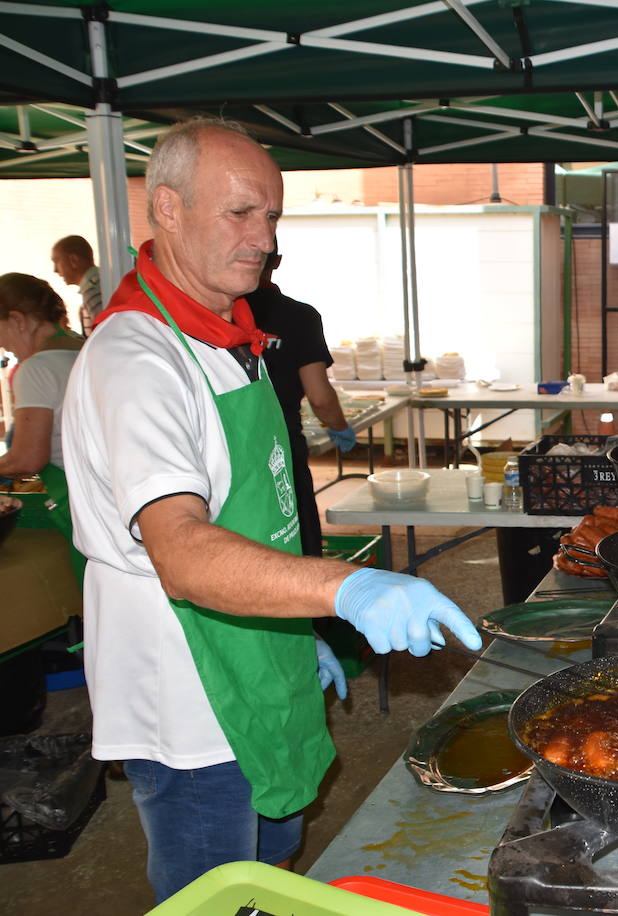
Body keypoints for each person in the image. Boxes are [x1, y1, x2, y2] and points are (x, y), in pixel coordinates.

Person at [60, 117, 483, 904]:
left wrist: (294, 633)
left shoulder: (229, 337)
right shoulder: (137, 359)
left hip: (264, 647)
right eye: (240, 213)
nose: (264, 238)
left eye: (273, 215)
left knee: (279, 858)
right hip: (193, 691)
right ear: (168, 208)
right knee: (219, 889)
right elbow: (182, 553)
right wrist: (348, 588)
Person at [245, 246, 355, 558]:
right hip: (282, 444)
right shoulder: (298, 316)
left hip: (230, 443)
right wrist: (339, 427)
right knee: (296, 532)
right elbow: (320, 397)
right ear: (277, 261)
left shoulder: (215, 314)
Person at [0, 274, 83, 567]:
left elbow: (28, 458)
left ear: (17, 320)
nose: (4, 347)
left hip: (81, 500)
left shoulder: (36, 368)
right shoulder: (84, 346)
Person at [51, 235, 103, 334]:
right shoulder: (98, 284)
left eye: (57, 261)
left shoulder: (93, 289)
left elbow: (105, 332)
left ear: (73, 260)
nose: (55, 270)